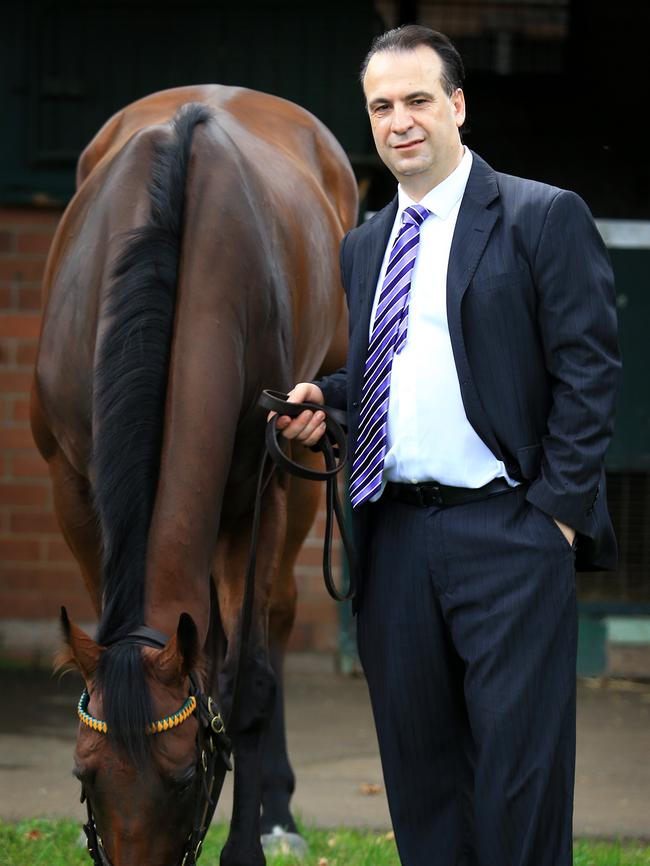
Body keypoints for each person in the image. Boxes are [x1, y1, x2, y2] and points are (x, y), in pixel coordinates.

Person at [272, 24, 621, 866]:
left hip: (510, 535)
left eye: (418, 100)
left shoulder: (541, 216)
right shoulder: (365, 246)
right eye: (382, 106)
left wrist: (555, 522)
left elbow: (589, 370)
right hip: (395, 545)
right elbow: (404, 375)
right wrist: (333, 398)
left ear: (457, 105)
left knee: (518, 779)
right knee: (422, 781)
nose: (400, 121)